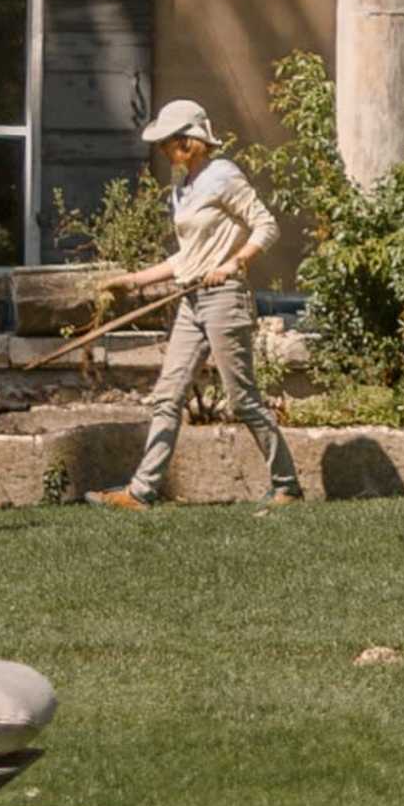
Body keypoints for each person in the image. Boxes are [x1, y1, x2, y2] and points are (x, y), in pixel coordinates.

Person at [95, 95, 288, 504]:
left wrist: (235, 263)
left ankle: (287, 486)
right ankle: (141, 492)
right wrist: (132, 281)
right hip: (192, 301)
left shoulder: (223, 175)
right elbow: (187, 258)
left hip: (224, 299)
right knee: (168, 395)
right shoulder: (183, 186)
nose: (164, 150)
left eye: (168, 142)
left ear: (189, 141)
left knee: (242, 399)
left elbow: (266, 226)